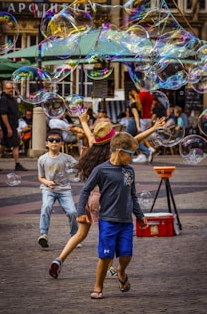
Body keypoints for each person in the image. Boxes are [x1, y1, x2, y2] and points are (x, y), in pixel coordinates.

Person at [49, 113, 165, 279]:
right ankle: (109, 269)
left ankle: (59, 259)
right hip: (105, 199)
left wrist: (83, 122)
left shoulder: (93, 146)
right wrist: (153, 128)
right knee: (109, 233)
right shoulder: (114, 151)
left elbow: (89, 135)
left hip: (89, 198)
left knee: (80, 234)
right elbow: (135, 140)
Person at [77, 131, 148, 299]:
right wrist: (80, 212)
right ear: (121, 152)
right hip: (108, 220)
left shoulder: (129, 171)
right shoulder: (101, 170)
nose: (132, 158)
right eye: (131, 154)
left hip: (126, 221)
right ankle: (98, 286)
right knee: (105, 255)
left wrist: (139, 215)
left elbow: (133, 195)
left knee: (126, 254)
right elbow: (85, 190)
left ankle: (121, 272)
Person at [37, 129, 80, 248]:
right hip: (48, 189)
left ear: (61, 143)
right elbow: (40, 177)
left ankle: (74, 236)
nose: (54, 142)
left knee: (72, 212)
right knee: (46, 207)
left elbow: (79, 167)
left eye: (57, 140)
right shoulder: (42, 159)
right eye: (51, 140)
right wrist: (47, 182)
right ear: (46, 143)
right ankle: (43, 234)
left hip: (64, 190)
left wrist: (83, 154)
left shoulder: (66, 158)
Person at [0, 81, 27, 171]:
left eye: (12, 88)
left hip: (12, 126)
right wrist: (8, 128)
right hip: (9, 126)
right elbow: (3, 114)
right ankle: (17, 164)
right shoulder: (4, 99)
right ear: (4, 89)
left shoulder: (11, 98)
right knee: (15, 145)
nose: (11, 90)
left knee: (2, 145)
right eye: (8, 88)